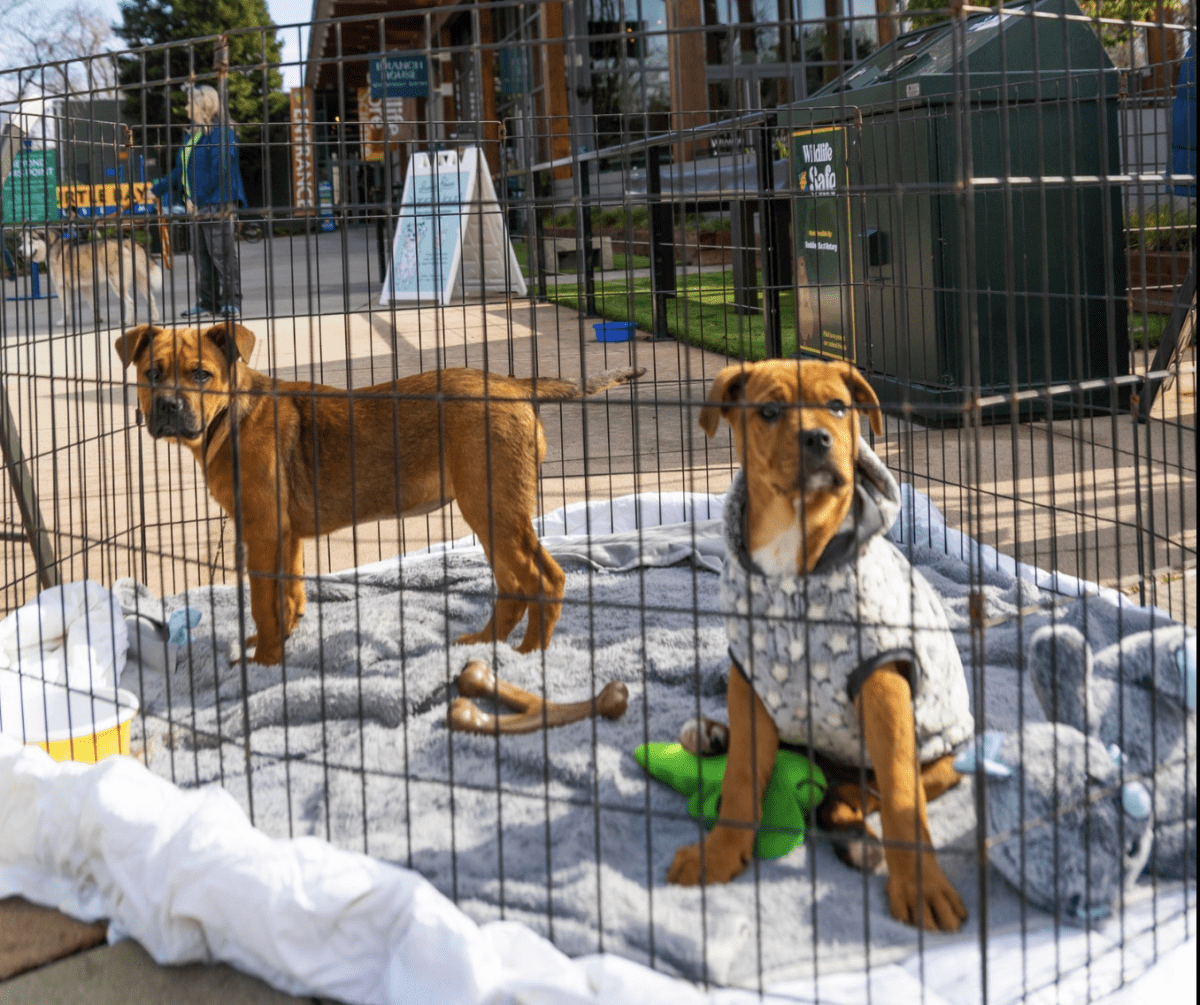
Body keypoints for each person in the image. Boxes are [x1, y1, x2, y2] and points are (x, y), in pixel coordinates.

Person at [152, 83, 247, 318]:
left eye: (189, 103)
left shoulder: (221, 133)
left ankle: (232, 303)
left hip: (217, 203)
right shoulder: (194, 136)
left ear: (202, 104)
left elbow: (220, 169)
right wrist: (156, 190)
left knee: (222, 255)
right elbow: (180, 171)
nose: (185, 108)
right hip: (198, 204)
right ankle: (208, 303)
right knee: (201, 257)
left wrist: (196, 198)